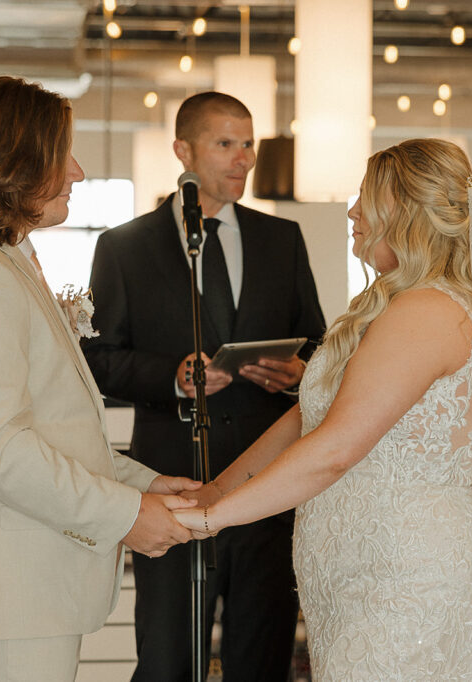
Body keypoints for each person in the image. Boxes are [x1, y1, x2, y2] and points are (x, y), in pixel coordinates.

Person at [175, 139, 472, 680]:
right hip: (358, 573)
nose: (352, 210)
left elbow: (337, 449)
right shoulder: (396, 304)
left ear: (407, 210)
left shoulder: (429, 311)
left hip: (404, 578)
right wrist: (216, 490)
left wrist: (211, 520)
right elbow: (306, 420)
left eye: (366, 197)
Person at [0, 76, 200, 682]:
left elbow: (49, 429)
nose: (78, 172)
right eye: (63, 155)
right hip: (1, 595)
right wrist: (124, 515)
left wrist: (145, 483)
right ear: (15, 162)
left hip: (18, 591)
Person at [81, 91, 325, 681]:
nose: (242, 159)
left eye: (249, 144)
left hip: (270, 491)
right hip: (175, 491)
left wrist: (299, 374)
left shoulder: (282, 238)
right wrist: (173, 376)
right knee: (168, 662)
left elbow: (318, 342)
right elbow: (100, 359)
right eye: (225, 144)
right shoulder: (124, 247)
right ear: (182, 150)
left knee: (263, 661)